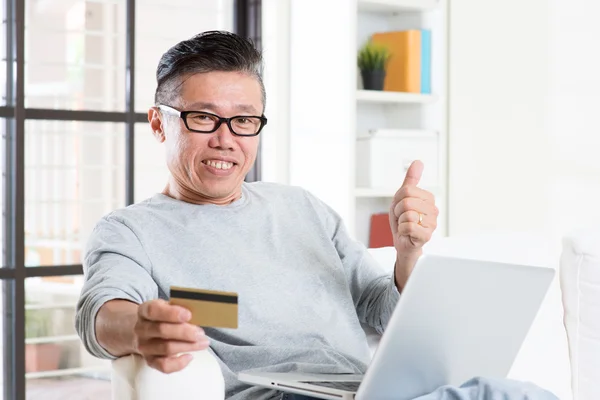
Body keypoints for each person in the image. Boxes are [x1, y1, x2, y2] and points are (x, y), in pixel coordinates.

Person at [75, 31, 557, 400]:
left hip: (370, 388)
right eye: (204, 118)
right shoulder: (131, 231)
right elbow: (100, 313)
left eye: (244, 120)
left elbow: (379, 313)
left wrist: (409, 255)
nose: (226, 139)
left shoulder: (301, 207)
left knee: (507, 389)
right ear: (160, 123)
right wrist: (141, 327)